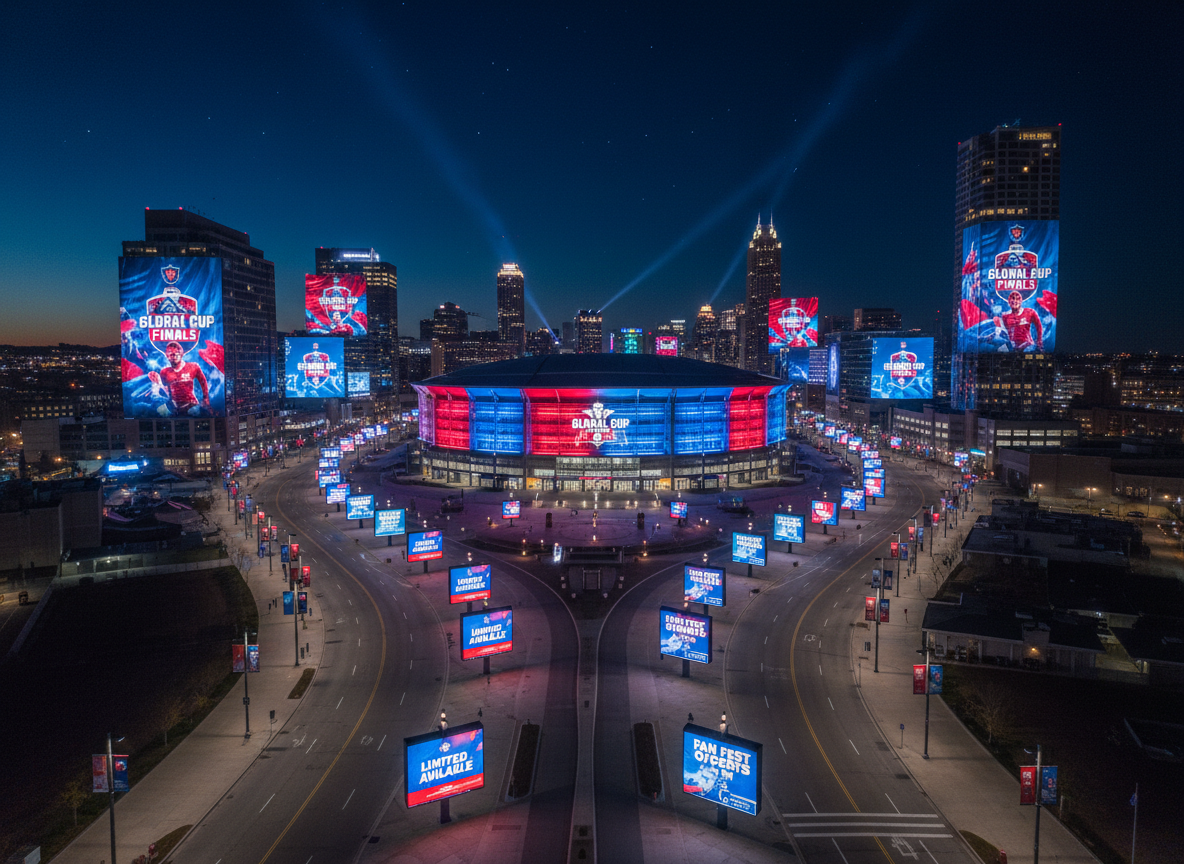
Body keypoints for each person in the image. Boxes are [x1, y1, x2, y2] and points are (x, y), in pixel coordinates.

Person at [148, 341, 211, 415]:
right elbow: (167, 391)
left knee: (194, 413)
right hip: (174, 406)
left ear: (181, 354)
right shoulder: (165, 371)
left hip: (191, 405)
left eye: (176, 352)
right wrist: (157, 382)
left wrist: (206, 398)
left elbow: (203, 381)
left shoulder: (193, 366)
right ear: (167, 356)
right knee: (157, 411)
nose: (174, 355)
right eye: (170, 353)